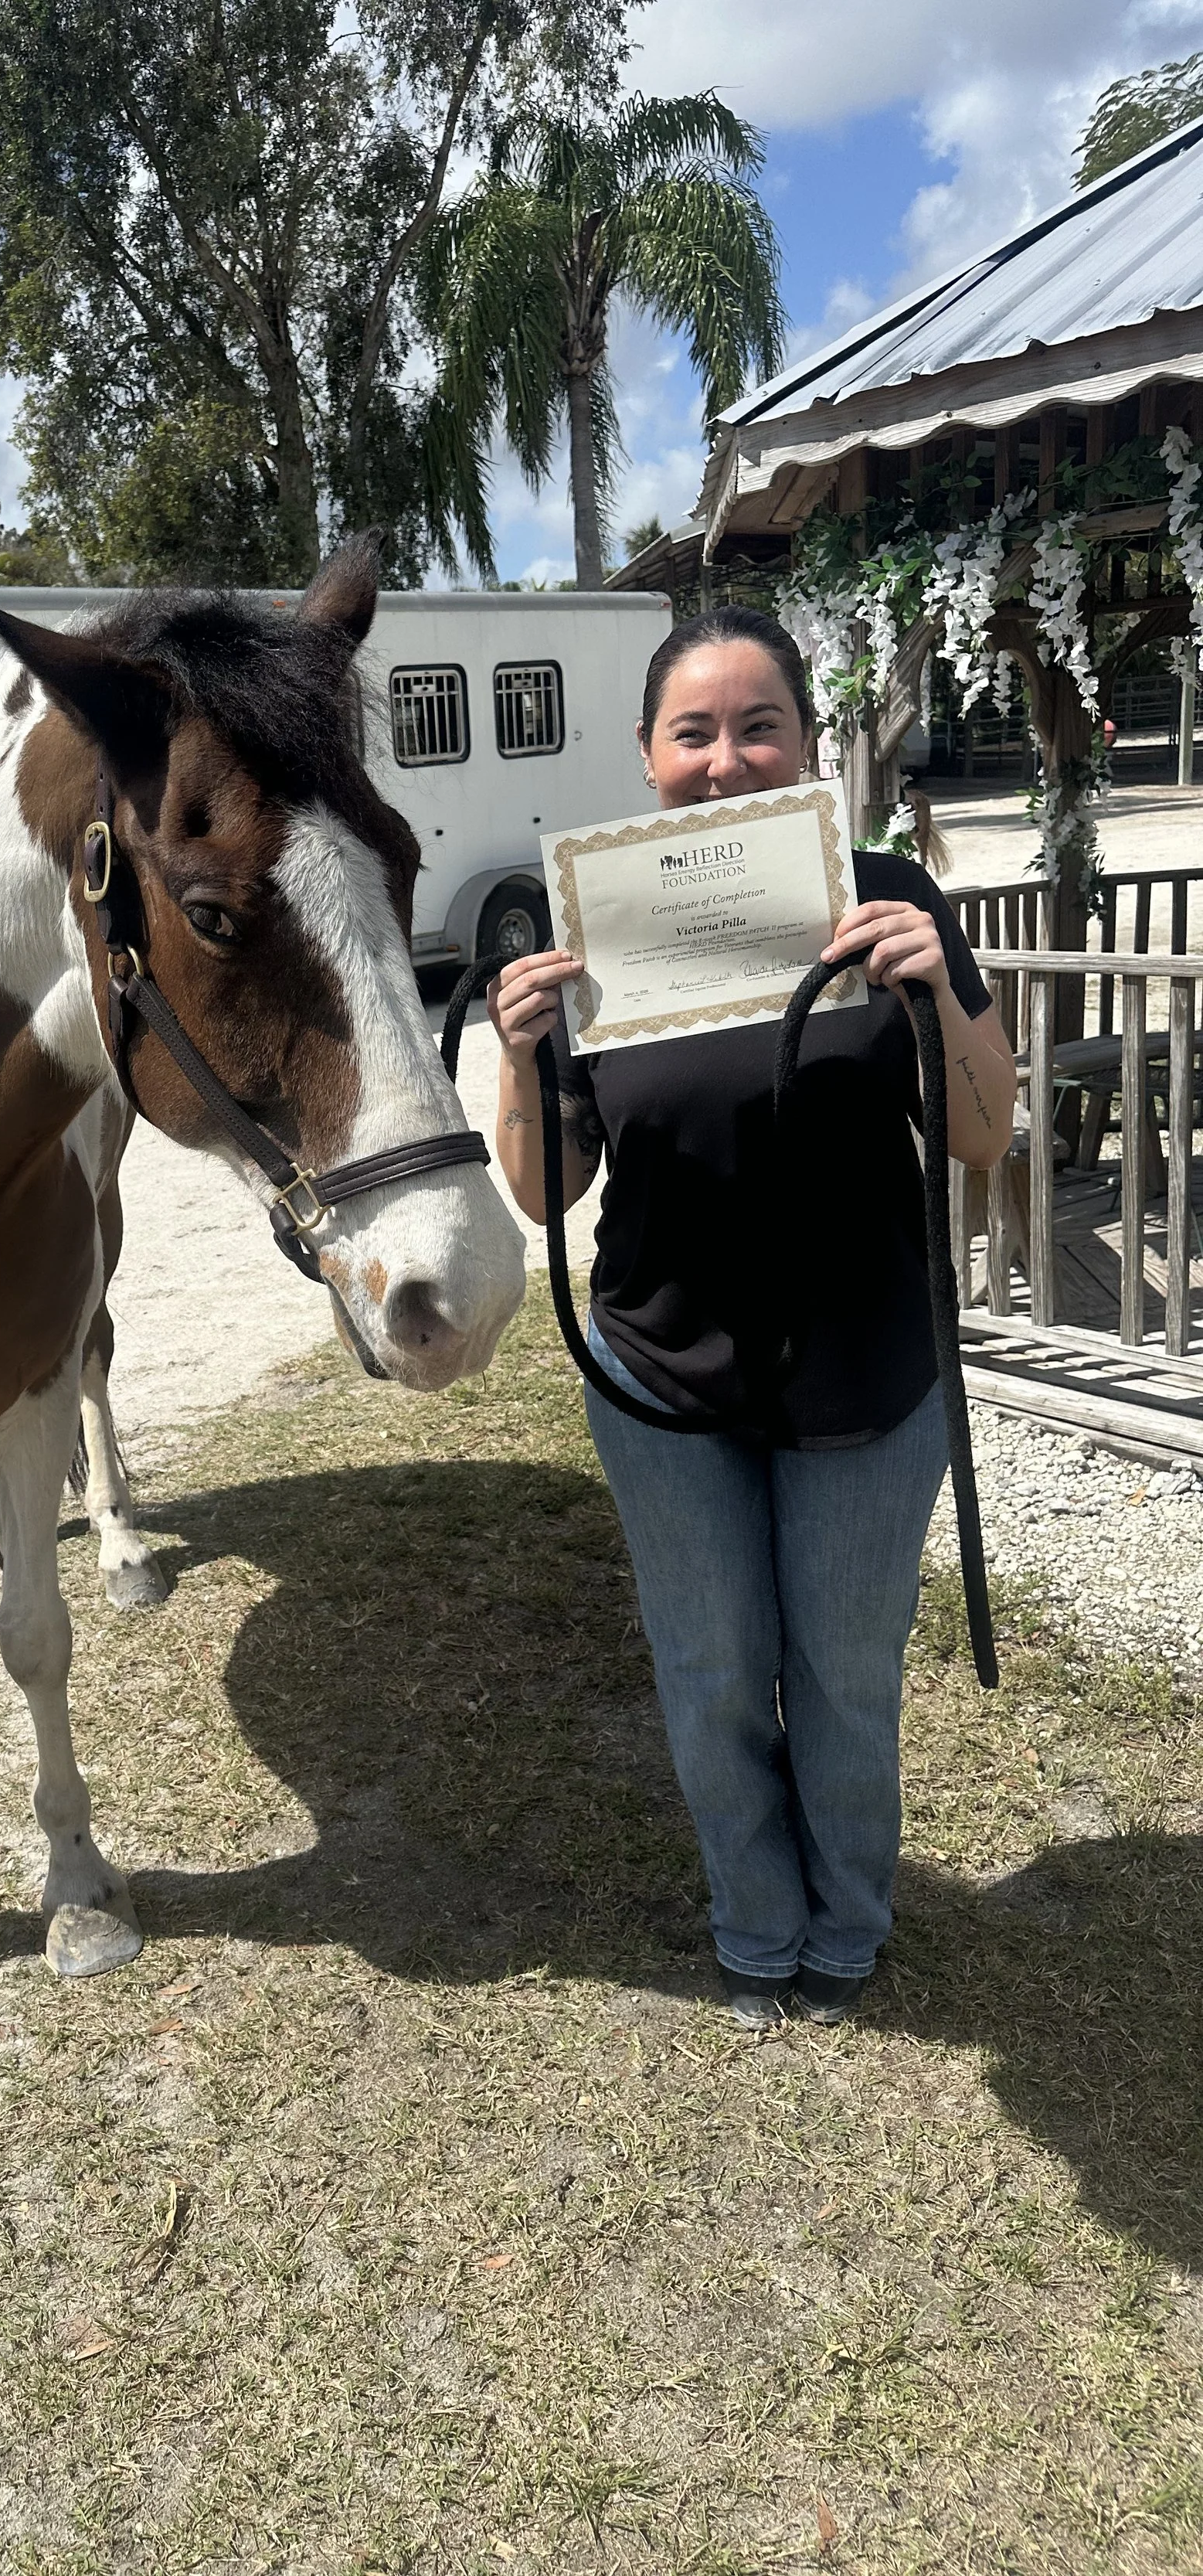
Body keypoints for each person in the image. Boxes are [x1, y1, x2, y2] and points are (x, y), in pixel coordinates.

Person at [489, 606, 1015, 2030]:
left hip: (866, 1371)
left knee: (844, 1679)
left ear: (805, 742)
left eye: (758, 724)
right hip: (663, 1377)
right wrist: (521, 1059)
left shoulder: (884, 890)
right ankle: (755, 1915)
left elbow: (982, 1138)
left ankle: (850, 1916)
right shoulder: (597, 924)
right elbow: (549, 1193)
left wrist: (937, 994)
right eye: (694, 733)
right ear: (650, 758)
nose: (727, 758)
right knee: (712, 1672)